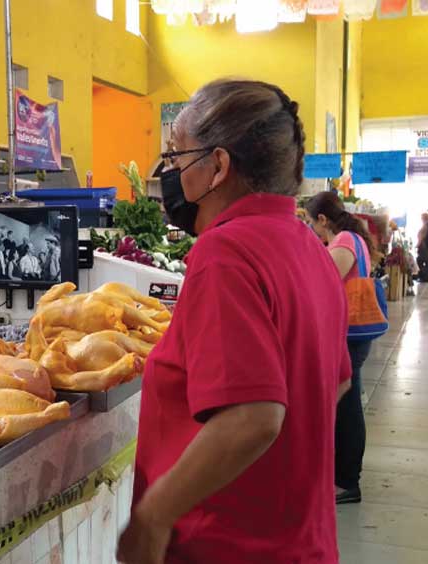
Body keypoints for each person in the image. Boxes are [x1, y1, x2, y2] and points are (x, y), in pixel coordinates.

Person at [117, 79, 350, 564]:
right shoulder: (308, 246)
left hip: (227, 543)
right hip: (299, 540)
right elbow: (338, 381)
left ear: (218, 166)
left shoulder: (226, 252)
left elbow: (254, 417)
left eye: (177, 156)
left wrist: (153, 516)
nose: (171, 172)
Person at [305, 190, 377, 505]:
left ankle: (348, 481)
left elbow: (322, 281)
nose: (311, 229)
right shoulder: (354, 238)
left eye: (311, 222)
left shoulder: (344, 241)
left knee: (347, 407)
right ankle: (344, 477)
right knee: (347, 404)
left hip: (350, 332)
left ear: (323, 219)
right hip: (354, 332)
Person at [416, 212, 428, 283]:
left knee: (420, 260)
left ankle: (423, 277)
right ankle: (427, 276)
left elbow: (422, 236)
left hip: (424, 246)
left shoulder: (425, 226)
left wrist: (418, 244)